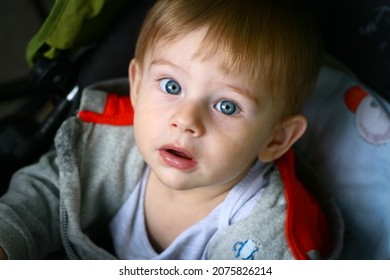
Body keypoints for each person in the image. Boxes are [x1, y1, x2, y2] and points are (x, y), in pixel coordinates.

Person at [0, 0, 340, 260]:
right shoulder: (106, 139)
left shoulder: (266, 233)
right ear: (136, 87)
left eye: (227, 106)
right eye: (172, 87)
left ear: (275, 138)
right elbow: (45, 195)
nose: (186, 120)